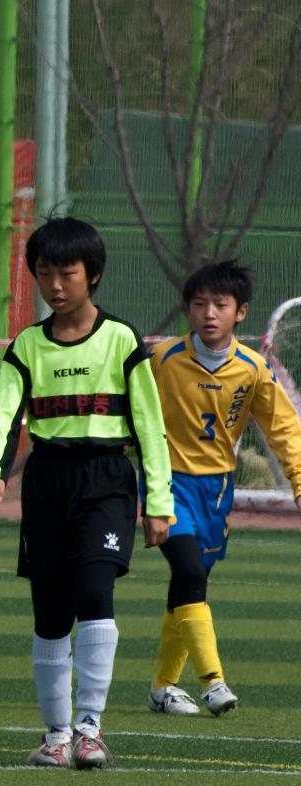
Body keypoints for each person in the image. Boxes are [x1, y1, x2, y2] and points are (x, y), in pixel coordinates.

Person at [0, 216, 172, 770]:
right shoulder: (26, 347)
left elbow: (149, 425)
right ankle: (56, 735)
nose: (55, 285)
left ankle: (90, 728)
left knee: (94, 591)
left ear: (94, 276)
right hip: (47, 482)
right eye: (44, 273)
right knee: (50, 611)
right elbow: (0, 414)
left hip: (106, 479)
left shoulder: (122, 340)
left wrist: (160, 502)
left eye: (67, 273)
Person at [146, 261, 301, 717]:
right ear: (187, 311)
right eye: (198, 304)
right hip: (167, 481)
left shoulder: (253, 370)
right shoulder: (161, 359)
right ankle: (213, 681)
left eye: (220, 304)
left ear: (241, 313)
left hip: (216, 490)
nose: (208, 313)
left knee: (191, 583)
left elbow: (284, 432)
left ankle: (162, 687)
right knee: (191, 572)